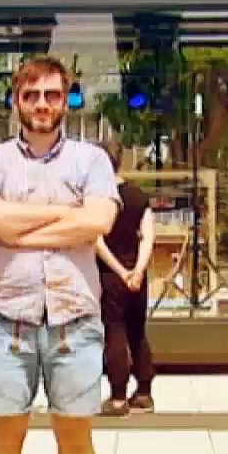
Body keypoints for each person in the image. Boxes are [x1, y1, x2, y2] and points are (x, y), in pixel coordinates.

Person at [0, 56, 120, 454]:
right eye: (31, 95)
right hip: (6, 319)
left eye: (51, 94)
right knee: (5, 436)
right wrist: (67, 216)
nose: (41, 104)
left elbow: (99, 221)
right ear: (16, 101)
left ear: (66, 101)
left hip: (75, 319)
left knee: (76, 438)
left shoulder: (91, 160)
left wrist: (15, 230)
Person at [95, 140, 156, 418]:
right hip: (137, 277)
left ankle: (118, 397)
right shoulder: (138, 196)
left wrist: (121, 272)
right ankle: (144, 393)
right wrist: (138, 271)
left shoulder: (99, 200)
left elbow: (97, 242)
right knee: (137, 331)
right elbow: (148, 236)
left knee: (115, 331)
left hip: (110, 275)